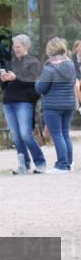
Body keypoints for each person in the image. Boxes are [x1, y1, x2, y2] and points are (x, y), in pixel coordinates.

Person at [0, 34, 46, 174]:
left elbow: (34, 82)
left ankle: (40, 162)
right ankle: (23, 164)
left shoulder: (34, 63)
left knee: (26, 134)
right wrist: (3, 79)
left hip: (24, 102)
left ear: (26, 46)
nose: (15, 49)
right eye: (14, 46)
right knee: (16, 136)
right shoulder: (11, 62)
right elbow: (4, 86)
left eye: (18, 46)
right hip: (8, 101)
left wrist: (16, 78)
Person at [35, 37, 78, 173]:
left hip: (53, 105)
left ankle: (61, 165)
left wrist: (37, 81)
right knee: (65, 134)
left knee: (57, 135)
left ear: (51, 50)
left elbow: (41, 89)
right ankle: (69, 163)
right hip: (68, 104)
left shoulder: (50, 66)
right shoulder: (70, 64)